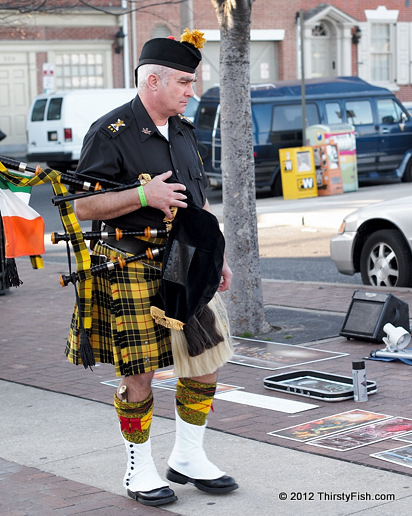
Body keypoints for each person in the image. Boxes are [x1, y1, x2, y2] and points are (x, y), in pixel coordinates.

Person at [66, 29, 238, 507]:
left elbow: (197, 199)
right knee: (139, 372)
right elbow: (83, 206)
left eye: (192, 81)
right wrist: (144, 195)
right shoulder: (111, 132)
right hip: (130, 263)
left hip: (187, 260)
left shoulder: (183, 130)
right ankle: (139, 468)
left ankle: (188, 455)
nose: (191, 91)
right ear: (153, 81)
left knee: (206, 361)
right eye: (184, 82)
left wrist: (214, 257)